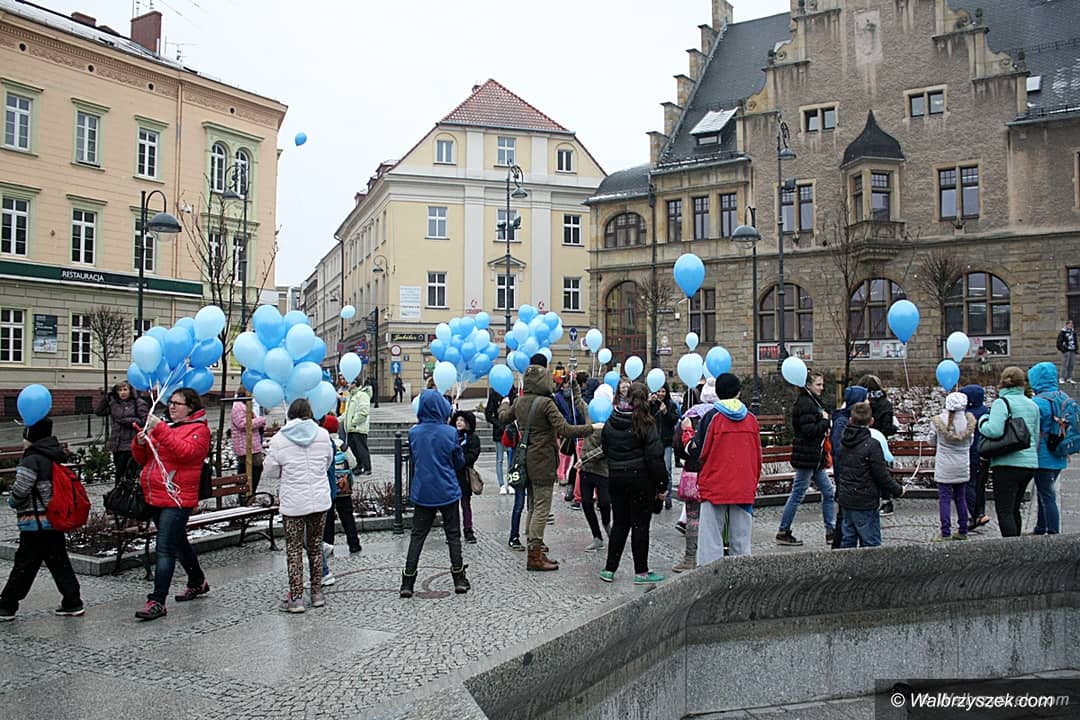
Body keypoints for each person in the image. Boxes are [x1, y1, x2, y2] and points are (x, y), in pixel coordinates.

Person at [499, 354, 597, 572]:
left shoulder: (520, 401)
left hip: (526, 458)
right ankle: (534, 554)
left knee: (533, 505)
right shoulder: (546, 403)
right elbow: (565, 429)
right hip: (543, 459)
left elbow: (503, 417)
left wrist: (504, 404)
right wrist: (590, 428)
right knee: (542, 507)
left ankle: (534, 546)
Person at [130, 388, 211, 621]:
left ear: (191, 407)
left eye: (178, 403)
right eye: (171, 402)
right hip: (156, 495)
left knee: (165, 548)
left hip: (177, 498)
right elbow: (145, 459)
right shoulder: (168, 426)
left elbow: (185, 453)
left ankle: (157, 601)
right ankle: (197, 581)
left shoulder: (199, 430)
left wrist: (160, 429)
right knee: (177, 542)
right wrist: (139, 443)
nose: (172, 406)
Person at [0, 418, 84, 621]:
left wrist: (12, 500)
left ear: (31, 436)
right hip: (53, 519)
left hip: (34, 522)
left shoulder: (31, 459)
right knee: (59, 562)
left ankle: (6, 605)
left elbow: (21, 490)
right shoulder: (52, 455)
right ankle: (72, 601)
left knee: (24, 565)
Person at [262, 398, 335, 613]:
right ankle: (317, 593)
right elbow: (327, 461)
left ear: (290, 415)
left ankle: (296, 598)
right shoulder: (322, 435)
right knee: (315, 546)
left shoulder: (279, 439)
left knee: (294, 549)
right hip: (319, 500)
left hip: (293, 503)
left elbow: (271, 471)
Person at [400, 390, 469, 597]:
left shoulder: (414, 433)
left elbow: (415, 458)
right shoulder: (450, 432)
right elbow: (458, 461)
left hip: (423, 490)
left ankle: (407, 582)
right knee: (453, 535)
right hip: (447, 489)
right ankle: (459, 578)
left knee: (417, 536)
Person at [599, 382, 668, 585]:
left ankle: (609, 569)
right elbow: (655, 457)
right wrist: (662, 484)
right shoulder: (646, 423)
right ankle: (641, 571)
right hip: (640, 479)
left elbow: (605, 447)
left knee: (620, 524)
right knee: (640, 525)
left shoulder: (612, 419)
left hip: (616, 477)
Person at [693, 374, 761, 563]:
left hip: (715, 482)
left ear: (717, 392)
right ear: (738, 392)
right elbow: (757, 453)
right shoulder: (751, 419)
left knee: (710, 539)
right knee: (741, 540)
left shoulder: (711, 417)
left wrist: (687, 434)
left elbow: (699, 451)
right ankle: (741, 574)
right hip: (743, 483)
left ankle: (710, 574)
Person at [978, 366, 1039, 537]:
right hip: (1029, 464)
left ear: (1002, 382)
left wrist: (983, 421)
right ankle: (1017, 545)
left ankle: (1010, 548)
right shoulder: (1032, 404)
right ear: (1022, 383)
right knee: (1014, 508)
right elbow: (1035, 436)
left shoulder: (1002, 403)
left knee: (1004, 510)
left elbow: (994, 430)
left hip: (1007, 463)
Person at [777, 371, 835, 546]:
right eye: (818, 384)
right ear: (808, 385)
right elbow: (808, 430)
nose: (822, 388)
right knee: (798, 494)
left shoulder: (812, 401)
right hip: (807, 456)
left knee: (828, 492)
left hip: (814, 457)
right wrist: (825, 422)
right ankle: (783, 530)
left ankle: (830, 530)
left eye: (822, 384)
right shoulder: (806, 403)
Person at [836, 402, 905, 548]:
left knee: (848, 540)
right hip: (865, 501)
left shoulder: (843, 442)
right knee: (871, 542)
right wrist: (898, 490)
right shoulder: (872, 445)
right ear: (872, 421)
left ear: (850, 420)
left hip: (846, 498)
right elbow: (882, 475)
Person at [928, 392, 976, 540]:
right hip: (962, 465)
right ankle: (963, 531)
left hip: (945, 466)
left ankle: (945, 532)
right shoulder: (968, 421)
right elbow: (970, 442)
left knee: (944, 499)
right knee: (961, 498)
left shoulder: (939, 420)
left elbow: (931, 441)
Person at [1028, 362, 1067, 535]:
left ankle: (1053, 533)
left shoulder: (1037, 402)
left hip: (1042, 454)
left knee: (1047, 495)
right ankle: (1040, 527)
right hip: (1060, 452)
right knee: (1044, 493)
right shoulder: (1063, 397)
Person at [857, 374, 899, 515]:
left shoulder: (859, 404)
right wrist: (895, 428)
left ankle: (867, 500)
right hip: (880, 442)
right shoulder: (885, 404)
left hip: (861, 442)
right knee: (882, 472)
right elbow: (887, 428)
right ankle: (886, 501)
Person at [319, 414, 361, 555]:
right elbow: (353, 462)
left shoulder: (322, 444)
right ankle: (354, 544)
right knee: (347, 515)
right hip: (344, 487)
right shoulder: (342, 445)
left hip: (328, 486)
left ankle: (328, 544)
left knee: (328, 516)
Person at [96, 381, 148, 485]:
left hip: (130, 443)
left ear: (130, 391)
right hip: (117, 443)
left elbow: (145, 421)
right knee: (119, 472)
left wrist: (128, 421)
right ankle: (119, 492)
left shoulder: (137, 403)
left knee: (127, 473)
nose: (123, 392)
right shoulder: (115, 404)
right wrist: (106, 398)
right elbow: (99, 412)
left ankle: (126, 492)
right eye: (120, 390)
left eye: (125, 390)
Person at [960, 384, 992, 530]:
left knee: (968, 485)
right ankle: (980, 512)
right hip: (984, 454)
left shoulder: (967, 415)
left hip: (970, 454)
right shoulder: (985, 412)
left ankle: (977, 514)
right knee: (979, 486)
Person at [576, 422, 610, 552]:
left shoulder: (608, 425)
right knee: (586, 503)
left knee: (604, 503)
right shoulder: (587, 419)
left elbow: (604, 449)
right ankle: (597, 537)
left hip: (602, 471)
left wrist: (585, 458)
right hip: (586, 470)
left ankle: (606, 524)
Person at [230, 387, 266, 497]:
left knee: (254, 467)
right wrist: (260, 420)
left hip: (251, 443)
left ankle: (248, 493)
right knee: (251, 468)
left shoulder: (245, 405)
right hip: (245, 444)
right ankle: (246, 494)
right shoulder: (239, 406)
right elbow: (243, 424)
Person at [452, 410, 481, 544]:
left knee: (465, 503)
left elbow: (473, 455)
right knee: (452, 505)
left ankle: (468, 529)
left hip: (465, 475)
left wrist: (460, 460)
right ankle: (454, 531)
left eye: (462, 420)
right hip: (452, 474)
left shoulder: (472, 438)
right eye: (457, 420)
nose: (459, 422)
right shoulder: (451, 436)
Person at [650, 383, 678, 509]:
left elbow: (674, 421)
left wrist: (666, 413)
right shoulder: (651, 405)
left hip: (666, 442)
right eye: (659, 391)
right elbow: (647, 419)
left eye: (663, 391)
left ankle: (668, 497)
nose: (661, 394)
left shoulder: (671, 405)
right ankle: (655, 495)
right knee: (654, 469)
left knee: (667, 469)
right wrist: (651, 404)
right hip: (654, 442)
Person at [485, 386, 517, 494]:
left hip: (511, 431)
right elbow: (488, 414)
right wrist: (498, 424)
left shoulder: (512, 393)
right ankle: (501, 484)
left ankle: (511, 483)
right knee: (499, 459)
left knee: (511, 458)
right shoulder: (494, 394)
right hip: (499, 431)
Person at [344, 379, 373, 476]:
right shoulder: (351, 395)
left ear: (354, 384)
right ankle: (360, 465)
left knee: (361, 448)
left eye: (349, 382)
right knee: (354, 447)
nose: (347, 384)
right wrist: (337, 420)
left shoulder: (362, 395)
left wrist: (353, 422)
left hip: (359, 427)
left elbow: (363, 412)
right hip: (351, 428)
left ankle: (367, 467)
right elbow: (347, 413)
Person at [1056, 320, 1077, 384]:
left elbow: (1075, 341)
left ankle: (1069, 378)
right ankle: (1061, 378)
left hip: (1072, 350)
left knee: (1071, 365)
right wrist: (1063, 349)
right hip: (1066, 350)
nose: (1071, 325)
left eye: (1071, 324)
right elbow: (1059, 342)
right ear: (1066, 325)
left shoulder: (1073, 332)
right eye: (1069, 324)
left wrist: (1076, 348)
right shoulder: (1063, 332)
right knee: (1065, 364)